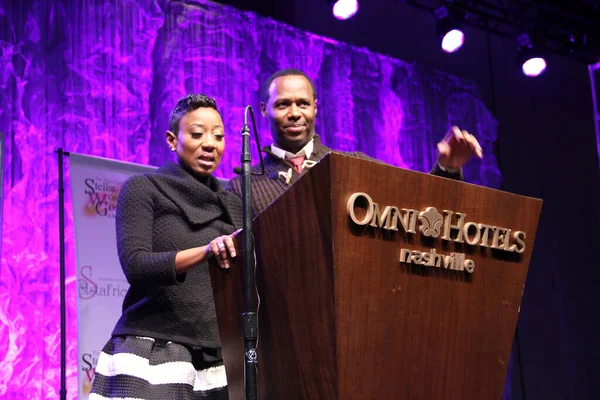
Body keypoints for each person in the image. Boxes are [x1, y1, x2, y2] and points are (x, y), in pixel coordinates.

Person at [90, 94, 241, 400]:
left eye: (219, 136)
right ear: (173, 140)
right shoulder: (144, 188)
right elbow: (136, 264)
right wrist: (205, 251)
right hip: (154, 350)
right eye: (197, 134)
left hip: (219, 358)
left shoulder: (235, 205)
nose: (210, 144)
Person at [225, 68, 483, 215]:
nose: (294, 113)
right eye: (282, 104)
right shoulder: (243, 187)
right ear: (263, 109)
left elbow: (418, 207)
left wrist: (447, 169)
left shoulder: (354, 166)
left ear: (315, 108)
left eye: (303, 104)